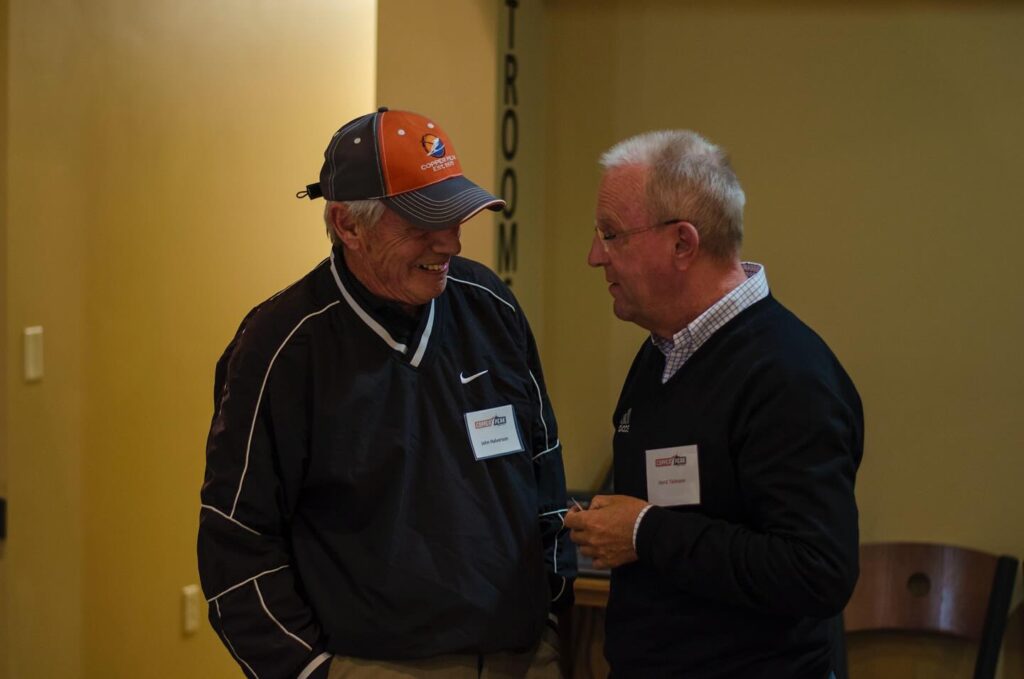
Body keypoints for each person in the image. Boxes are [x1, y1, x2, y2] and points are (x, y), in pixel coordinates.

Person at [198, 107, 575, 679]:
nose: (449, 242)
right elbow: (237, 539)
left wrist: (550, 615)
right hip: (375, 664)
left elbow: (544, 470)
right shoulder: (281, 347)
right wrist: (311, 671)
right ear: (348, 225)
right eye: (424, 224)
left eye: (456, 217)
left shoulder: (490, 304)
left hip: (523, 656)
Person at [564, 130, 863, 678]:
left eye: (611, 235)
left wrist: (644, 533)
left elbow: (817, 571)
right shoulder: (660, 354)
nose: (593, 257)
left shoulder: (788, 373)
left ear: (683, 243)